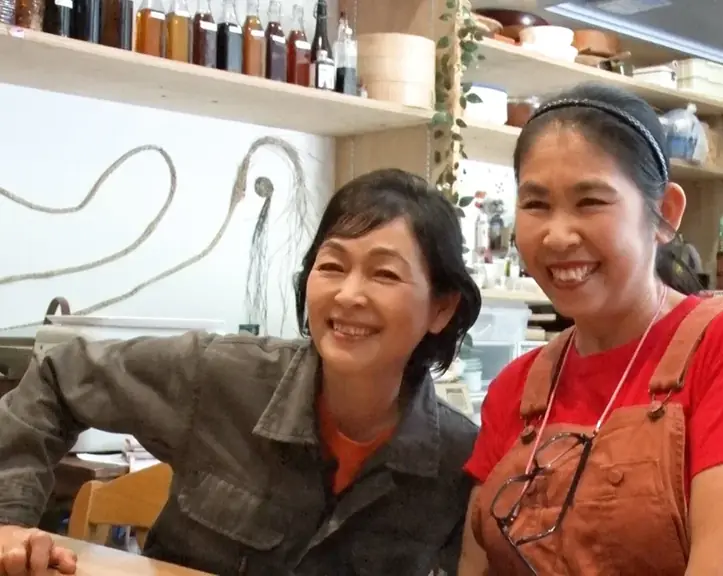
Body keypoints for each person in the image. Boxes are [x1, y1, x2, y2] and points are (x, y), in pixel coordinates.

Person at [0, 168, 481, 576]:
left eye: (384, 274)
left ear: (441, 308)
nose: (348, 295)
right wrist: (9, 522)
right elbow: (57, 378)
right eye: (332, 266)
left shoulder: (461, 462)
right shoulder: (219, 376)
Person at [457, 84, 723, 576]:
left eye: (590, 201)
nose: (557, 235)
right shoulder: (516, 390)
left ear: (666, 214)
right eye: (536, 205)